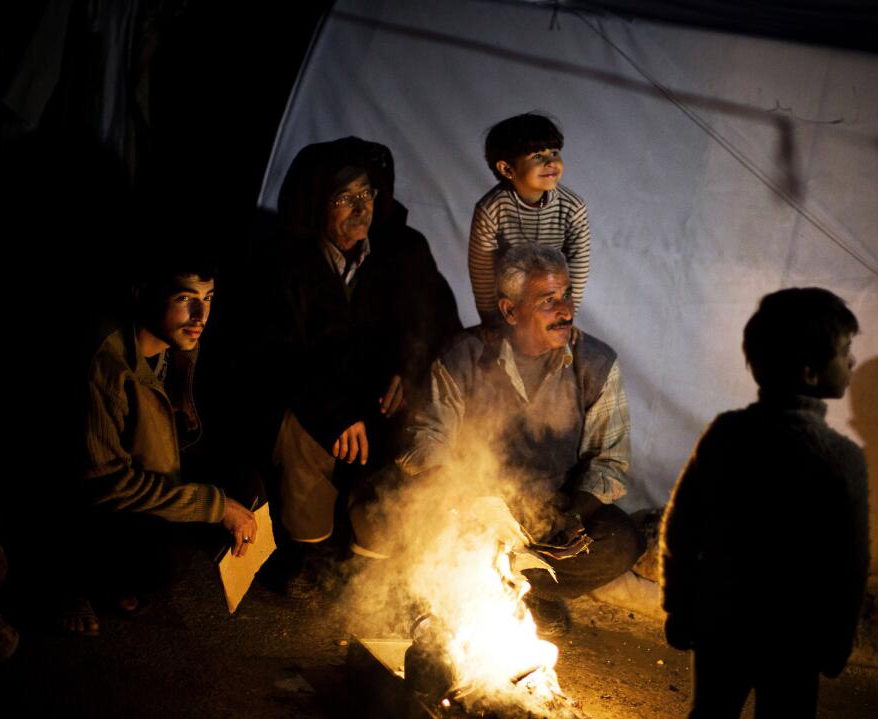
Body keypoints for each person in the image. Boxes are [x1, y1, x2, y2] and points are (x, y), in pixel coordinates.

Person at [660, 287, 870, 719]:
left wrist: (678, 606)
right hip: (796, 637)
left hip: (721, 623)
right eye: (845, 353)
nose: (853, 361)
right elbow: (850, 563)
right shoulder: (842, 457)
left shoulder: (727, 433)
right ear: (810, 373)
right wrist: (838, 638)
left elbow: (681, 525)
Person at [393, 243, 643, 634]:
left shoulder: (595, 363)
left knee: (621, 540)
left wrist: (571, 517)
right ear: (510, 310)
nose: (565, 311)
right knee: (417, 510)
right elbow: (427, 439)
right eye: (548, 300)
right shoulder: (465, 355)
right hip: (474, 506)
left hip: (549, 512)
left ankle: (531, 590)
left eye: (566, 295)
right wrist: (471, 499)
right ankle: (459, 588)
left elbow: (609, 462)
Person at [254, 138, 459, 576]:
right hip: (317, 400)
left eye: (367, 195)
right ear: (316, 204)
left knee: (423, 428)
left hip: (379, 396)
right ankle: (310, 554)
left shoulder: (402, 250)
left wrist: (408, 369)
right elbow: (274, 356)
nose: (361, 208)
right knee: (298, 432)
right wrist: (334, 413)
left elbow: (437, 321)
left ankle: (375, 556)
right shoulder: (283, 262)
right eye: (345, 198)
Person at [66, 260, 258, 635]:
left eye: (209, 298)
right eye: (186, 298)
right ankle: (70, 583)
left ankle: (122, 574)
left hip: (152, 469)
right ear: (142, 294)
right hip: (85, 503)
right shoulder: (107, 366)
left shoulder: (181, 344)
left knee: (246, 483)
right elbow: (106, 483)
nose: (200, 315)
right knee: (165, 559)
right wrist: (213, 506)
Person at [467, 113, 590, 325]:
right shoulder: (491, 209)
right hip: (510, 304)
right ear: (507, 169)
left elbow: (579, 265)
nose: (551, 162)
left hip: (553, 300)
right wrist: (490, 320)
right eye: (537, 157)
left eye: (554, 153)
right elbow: (482, 270)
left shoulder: (573, 208)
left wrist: (567, 315)